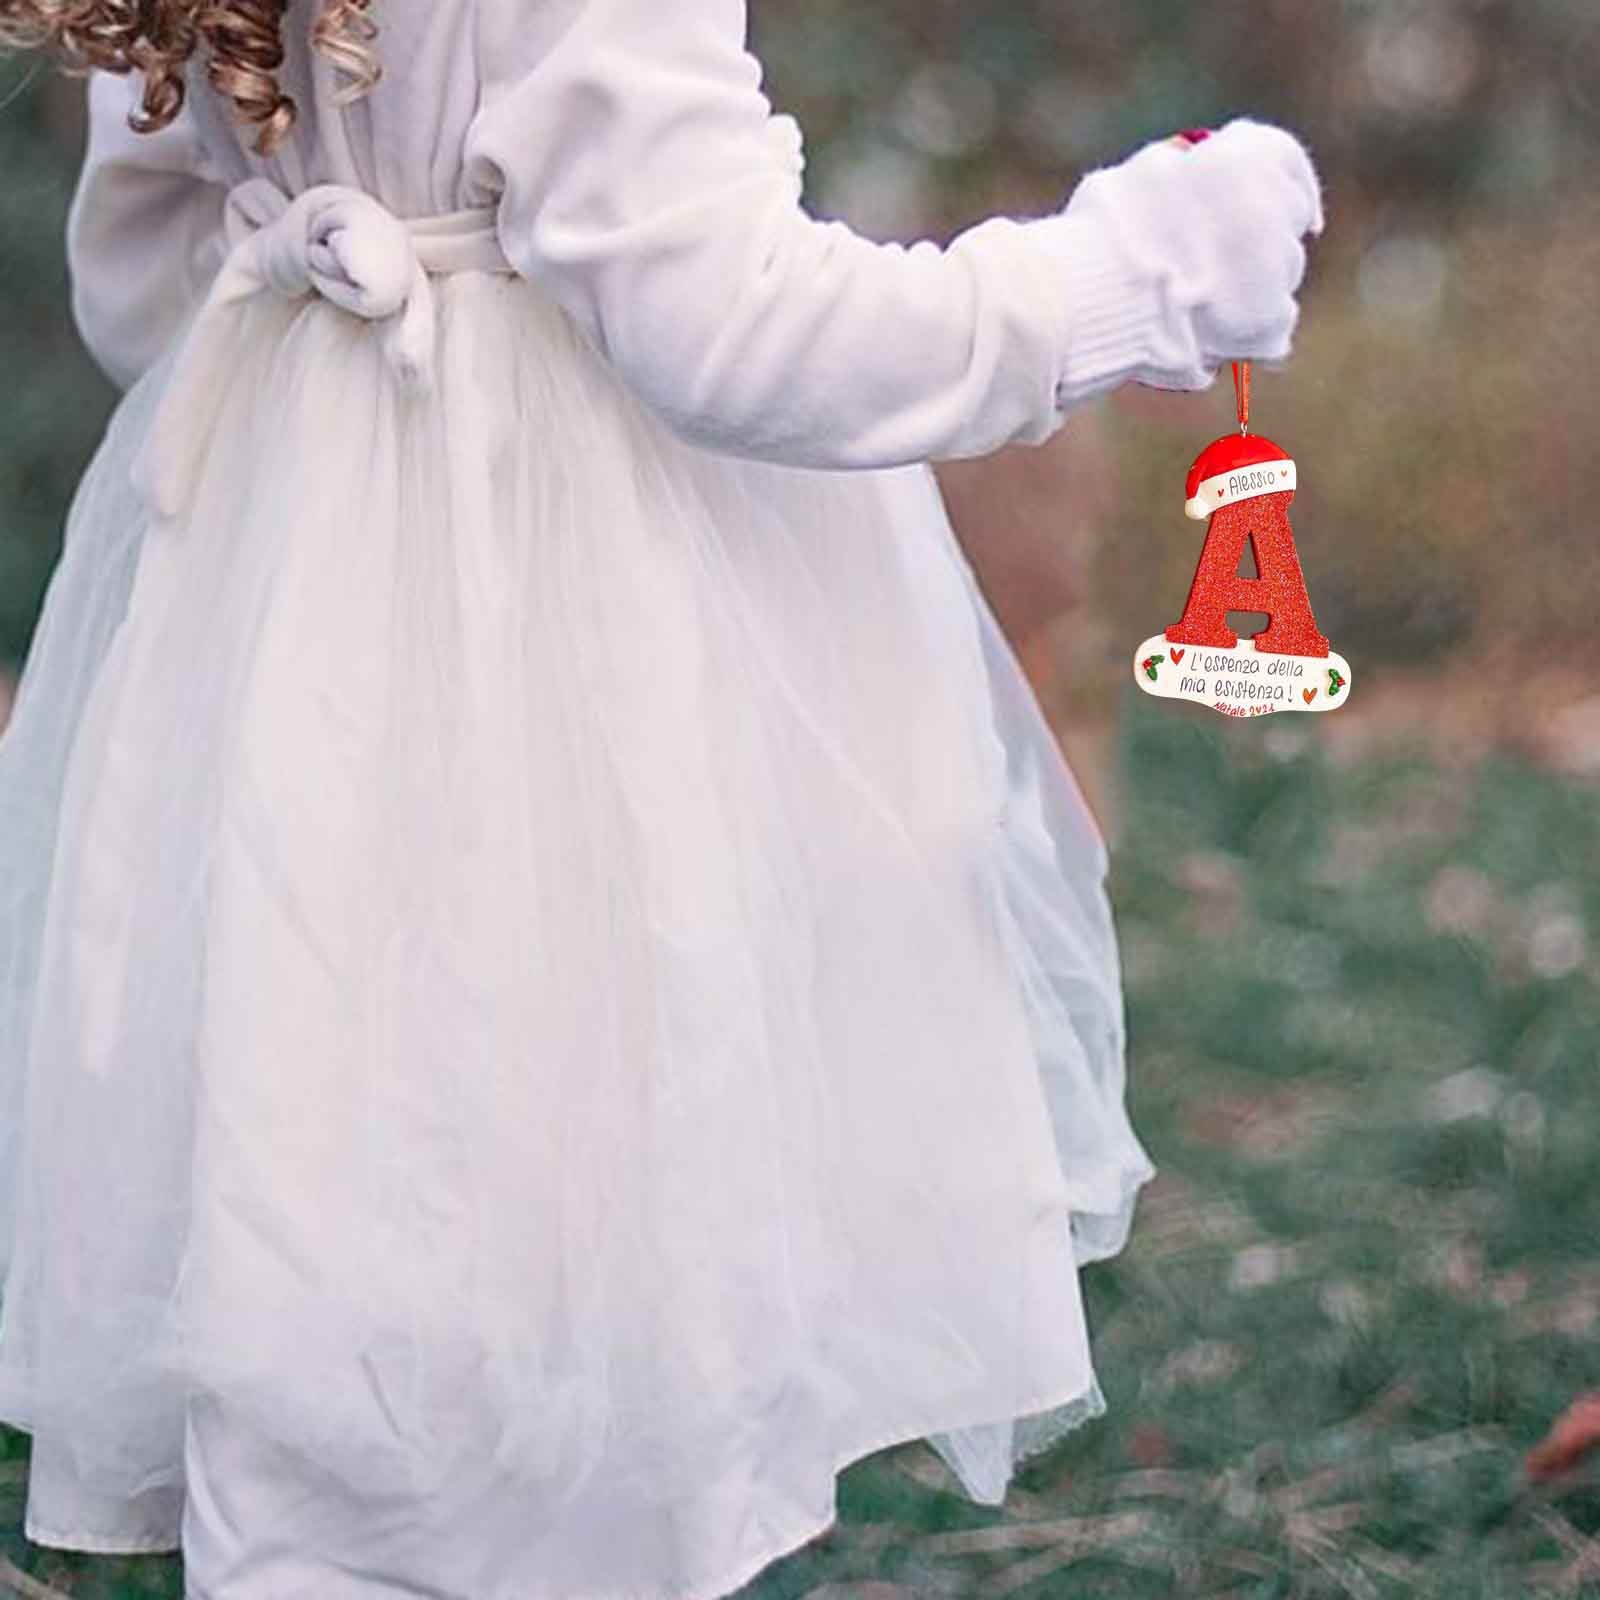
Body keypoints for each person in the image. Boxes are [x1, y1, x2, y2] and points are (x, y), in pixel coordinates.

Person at [0, 1, 1322, 1594]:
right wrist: (1136, 272)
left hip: (290, 606)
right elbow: (730, 324)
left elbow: (140, 291)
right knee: (560, 1219)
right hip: (555, 659)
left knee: (316, 1157)